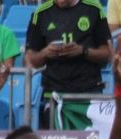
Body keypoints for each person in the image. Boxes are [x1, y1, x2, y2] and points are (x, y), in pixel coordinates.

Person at [26, 0, 112, 129]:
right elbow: (29, 60)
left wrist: (83, 51)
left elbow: (108, 53)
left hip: (88, 93)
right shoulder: (41, 13)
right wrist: (45, 53)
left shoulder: (93, 9)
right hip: (54, 95)